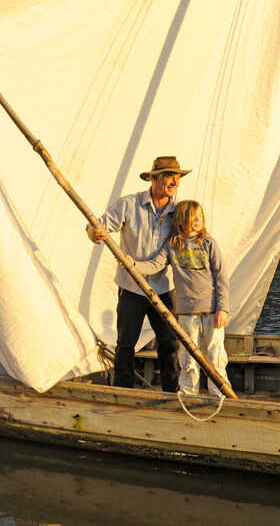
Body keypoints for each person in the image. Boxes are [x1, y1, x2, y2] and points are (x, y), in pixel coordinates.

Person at [86, 156, 190, 391]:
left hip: (162, 287)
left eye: (177, 176)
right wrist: (94, 232)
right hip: (131, 287)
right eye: (168, 176)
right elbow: (98, 225)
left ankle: (171, 391)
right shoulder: (129, 204)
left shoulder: (180, 211)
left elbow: (193, 237)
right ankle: (124, 390)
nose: (174, 181)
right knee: (125, 343)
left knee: (170, 342)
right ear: (154, 179)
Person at [134, 200, 230, 396]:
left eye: (200, 217)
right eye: (192, 218)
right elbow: (155, 265)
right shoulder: (172, 245)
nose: (197, 221)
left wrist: (223, 308)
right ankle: (188, 394)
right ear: (180, 221)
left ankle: (219, 394)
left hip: (212, 311)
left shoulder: (209, 244)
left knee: (215, 355)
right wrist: (133, 264)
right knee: (187, 358)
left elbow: (221, 277)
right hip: (186, 312)